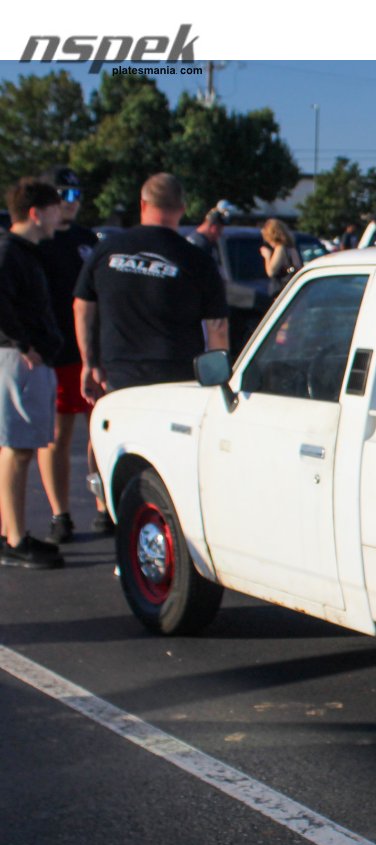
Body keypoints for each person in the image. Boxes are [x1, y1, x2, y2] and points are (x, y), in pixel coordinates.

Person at [75, 173, 229, 399]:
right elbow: (218, 327)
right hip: (176, 376)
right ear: (182, 209)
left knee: (116, 433)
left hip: (118, 373)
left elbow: (82, 308)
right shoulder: (197, 260)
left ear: (143, 204)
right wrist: (217, 378)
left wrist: (89, 363)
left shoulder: (107, 249)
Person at [36, 166, 108, 542]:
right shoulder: (37, 243)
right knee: (58, 436)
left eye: (78, 195)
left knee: (99, 429)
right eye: (65, 195)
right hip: (58, 352)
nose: (73, 203)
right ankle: (59, 513)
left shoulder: (87, 241)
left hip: (92, 351)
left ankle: (103, 506)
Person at [0, 178, 65, 569]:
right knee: (17, 449)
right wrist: (23, 344)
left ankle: (14, 534)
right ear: (36, 213)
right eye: (56, 207)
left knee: (19, 449)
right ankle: (16, 539)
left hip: (24, 358)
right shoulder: (9, 252)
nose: (61, 214)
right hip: (18, 361)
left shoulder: (22, 251)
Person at [259, 218, 302, 297]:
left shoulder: (280, 248)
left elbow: (271, 272)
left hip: (282, 290)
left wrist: (267, 256)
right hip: (293, 288)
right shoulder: (291, 248)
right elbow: (297, 266)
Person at [188, 206, 227, 274]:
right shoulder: (203, 246)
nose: (219, 235)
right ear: (213, 228)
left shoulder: (191, 238)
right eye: (219, 231)